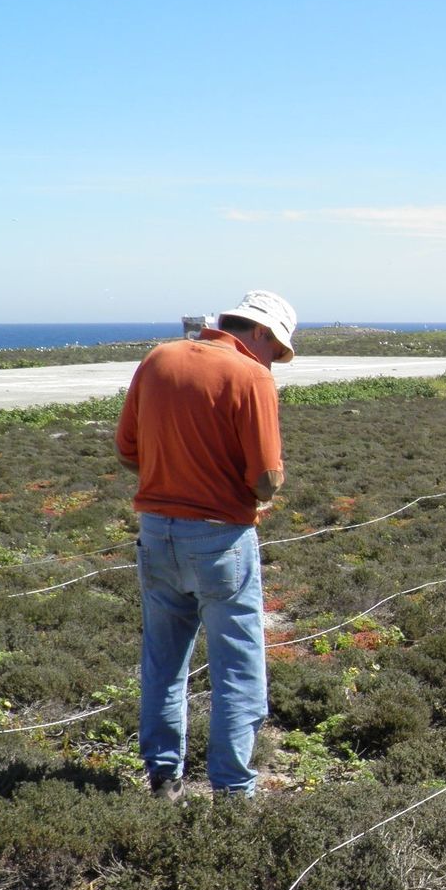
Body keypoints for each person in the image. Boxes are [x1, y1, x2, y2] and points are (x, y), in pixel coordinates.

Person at [113, 290, 296, 801]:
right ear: (259, 332)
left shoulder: (158, 359)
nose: (273, 361)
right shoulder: (251, 375)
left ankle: (163, 779)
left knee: (163, 662)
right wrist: (260, 493)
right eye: (275, 349)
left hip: (155, 533)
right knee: (238, 668)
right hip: (220, 540)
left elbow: (129, 451)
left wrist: (174, 479)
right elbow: (265, 477)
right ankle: (233, 792)